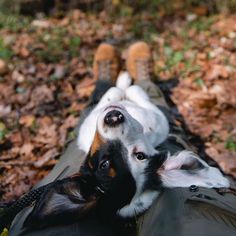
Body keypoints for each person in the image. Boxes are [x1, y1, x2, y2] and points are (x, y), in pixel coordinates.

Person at [9, 42, 236, 236]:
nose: (116, 124)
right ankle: (147, 85)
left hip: (98, 185)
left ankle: (102, 89)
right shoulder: (158, 166)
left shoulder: (90, 172)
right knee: (170, 137)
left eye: (106, 163)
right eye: (138, 155)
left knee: (75, 151)